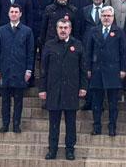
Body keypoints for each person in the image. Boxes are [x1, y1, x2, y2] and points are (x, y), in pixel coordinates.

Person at [40, 19, 87, 160]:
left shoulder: (77, 45)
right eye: (60, 27)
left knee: (71, 123)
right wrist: (42, 89)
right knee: (53, 123)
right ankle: (52, 150)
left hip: (71, 89)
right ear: (56, 29)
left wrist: (83, 87)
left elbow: (83, 68)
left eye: (65, 27)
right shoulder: (49, 45)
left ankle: (70, 150)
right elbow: (44, 69)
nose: (63, 30)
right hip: (53, 89)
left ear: (70, 29)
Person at [85, 6, 126, 136]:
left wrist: (123, 69)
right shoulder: (94, 31)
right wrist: (88, 68)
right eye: (104, 16)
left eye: (109, 16)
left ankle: (112, 126)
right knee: (96, 102)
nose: (106, 18)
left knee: (113, 103)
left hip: (113, 71)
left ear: (113, 17)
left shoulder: (119, 31)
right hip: (97, 70)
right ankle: (96, 126)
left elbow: (123, 52)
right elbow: (88, 51)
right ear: (100, 17)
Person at [0, 4, 34, 133]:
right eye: (12, 12)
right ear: (8, 14)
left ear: (20, 14)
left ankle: (16, 124)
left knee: (18, 101)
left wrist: (29, 69)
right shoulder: (2, 30)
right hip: (5, 69)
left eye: (16, 12)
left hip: (20, 69)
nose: (14, 14)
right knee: (5, 100)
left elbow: (30, 52)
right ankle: (5, 124)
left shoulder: (27, 31)